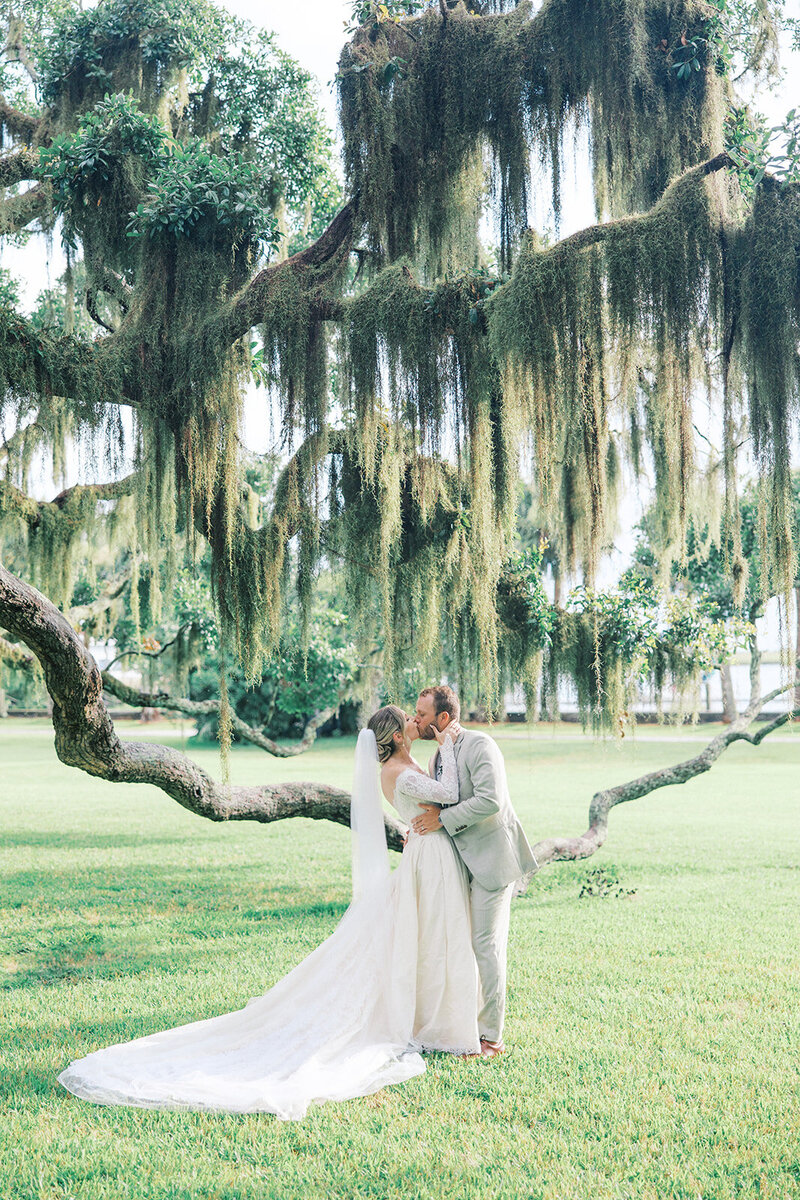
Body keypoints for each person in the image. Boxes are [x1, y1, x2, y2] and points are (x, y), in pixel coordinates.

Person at [57, 708, 480, 1119]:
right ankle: (428, 1018)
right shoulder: (398, 772)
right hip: (428, 855)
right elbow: (450, 794)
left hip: (427, 855)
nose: (415, 720)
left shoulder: (405, 765)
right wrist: (451, 746)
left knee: (427, 937)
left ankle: (432, 1013)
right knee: (424, 937)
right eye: (408, 719)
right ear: (398, 736)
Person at [411, 685, 537, 1057]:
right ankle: (464, 1025)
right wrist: (418, 830)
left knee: (486, 946)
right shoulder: (437, 758)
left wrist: (441, 820)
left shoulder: (480, 745)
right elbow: (436, 806)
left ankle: (492, 1038)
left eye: (421, 714)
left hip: (493, 861)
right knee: (462, 945)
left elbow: (490, 800)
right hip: (458, 864)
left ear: (443, 718)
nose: (416, 720)